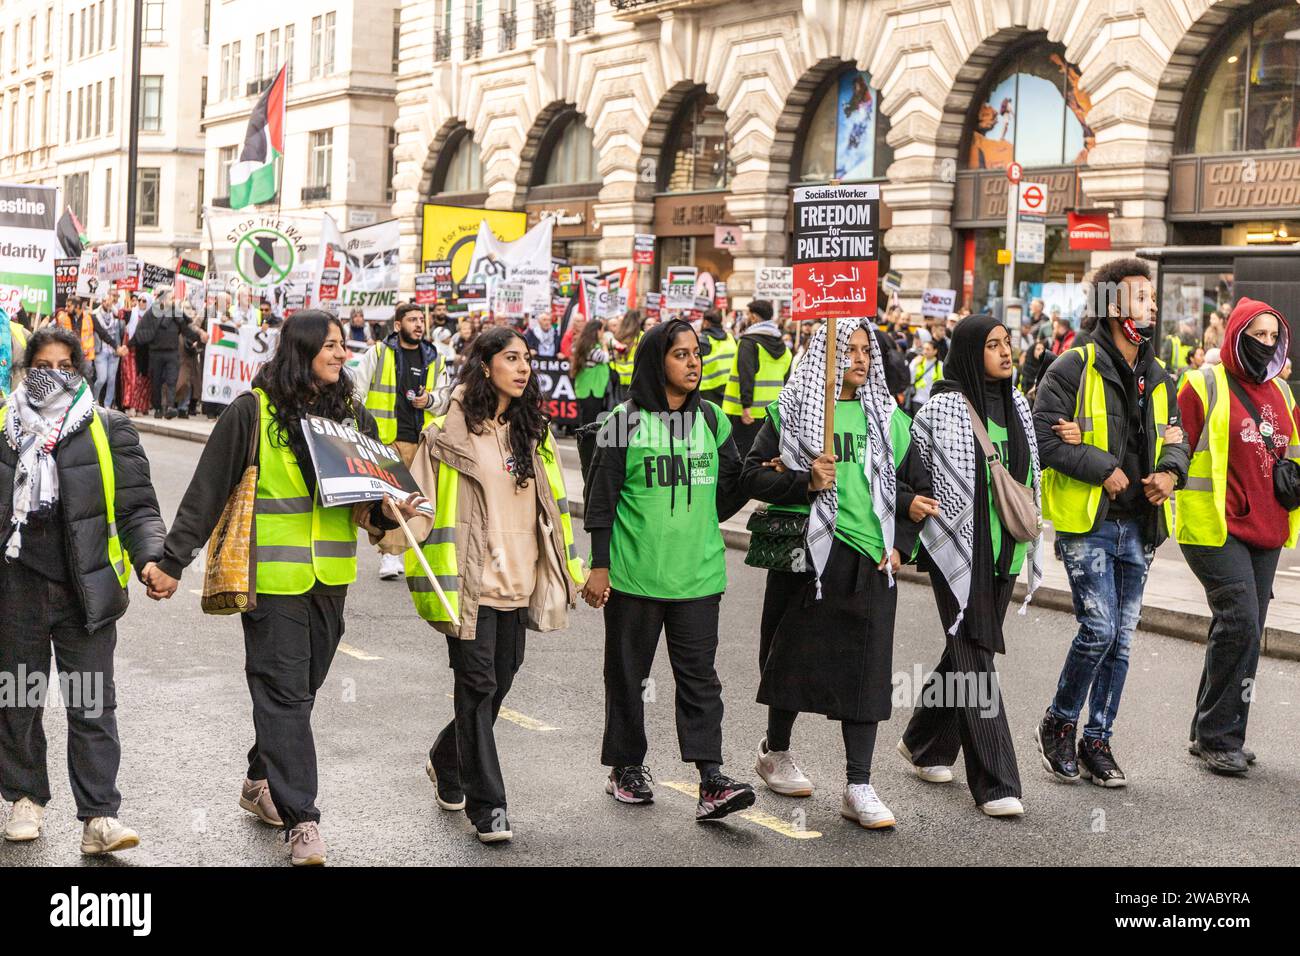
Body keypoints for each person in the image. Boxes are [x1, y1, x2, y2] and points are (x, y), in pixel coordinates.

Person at [148, 311, 422, 866]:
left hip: (331, 578)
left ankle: (259, 778)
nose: (341, 354)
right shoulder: (253, 411)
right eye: (330, 345)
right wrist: (172, 562)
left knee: (301, 690)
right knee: (285, 693)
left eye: (344, 345)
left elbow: (377, 496)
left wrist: (396, 512)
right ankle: (303, 820)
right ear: (300, 350)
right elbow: (207, 490)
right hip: (271, 580)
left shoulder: (350, 414)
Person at [402, 326, 584, 844]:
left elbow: (553, 511)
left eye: (527, 359)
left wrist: (568, 570)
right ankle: (489, 806)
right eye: (511, 358)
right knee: (477, 685)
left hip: (519, 581)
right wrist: (386, 519)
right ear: (485, 366)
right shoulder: (447, 435)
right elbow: (417, 505)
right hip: (468, 583)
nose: (524, 368)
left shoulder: (534, 433)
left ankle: (445, 756)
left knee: (500, 681)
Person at [741, 320, 923, 829]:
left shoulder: (891, 419)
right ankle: (775, 752)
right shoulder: (792, 412)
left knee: (866, 673)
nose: (862, 360)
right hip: (808, 556)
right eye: (850, 351)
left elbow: (914, 491)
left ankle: (859, 785)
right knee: (790, 660)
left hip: (869, 559)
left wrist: (901, 548)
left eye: (868, 351)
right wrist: (804, 481)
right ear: (825, 357)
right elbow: (752, 474)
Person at [0, 327, 165, 854]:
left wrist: (152, 559)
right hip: (16, 585)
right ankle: (25, 798)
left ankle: (100, 817)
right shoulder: (4, 426)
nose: (53, 375)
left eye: (65, 366)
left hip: (85, 588)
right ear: (27, 371)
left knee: (91, 702)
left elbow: (138, 507)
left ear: (80, 370)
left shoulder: (108, 428)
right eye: (42, 365)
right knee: (18, 699)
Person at [582, 319, 755, 821]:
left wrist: (771, 476)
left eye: (696, 353)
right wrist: (599, 565)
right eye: (681, 354)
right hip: (635, 577)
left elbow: (726, 495)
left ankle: (711, 780)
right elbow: (601, 497)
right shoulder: (624, 419)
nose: (694, 362)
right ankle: (626, 767)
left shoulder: (714, 420)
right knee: (628, 675)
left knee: (700, 680)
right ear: (657, 362)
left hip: (699, 578)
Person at [1031, 258, 1189, 787]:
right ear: (1113, 306)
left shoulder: (1160, 373)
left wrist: (1170, 474)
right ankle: (1059, 722)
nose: (1152, 304)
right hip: (1089, 522)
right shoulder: (1070, 367)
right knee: (1098, 628)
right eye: (1141, 296)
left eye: (1152, 296)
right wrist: (1105, 469)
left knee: (1121, 640)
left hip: (1140, 528)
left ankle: (1097, 740)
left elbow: (1177, 438)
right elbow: (1047, 441)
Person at [897, 315, 1043, 817]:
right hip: (956, 551)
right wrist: (911, 508)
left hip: (1007, 551)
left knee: (968, 648)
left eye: (1009, 343)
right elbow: (910, 474)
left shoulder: (1020, 405)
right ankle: (998, 781)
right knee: (976, 656)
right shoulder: (940, 411)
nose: (1006, 352)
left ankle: (925, 742)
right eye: (993, 345)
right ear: (967, 352)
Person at [1177, 299, 1300, 775]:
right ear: (1236, 334)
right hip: (1213, 526)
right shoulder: (1204, 384)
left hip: (1268, 529)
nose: (1266, 344)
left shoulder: (1283, 394)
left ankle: (1209, 728)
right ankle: (1218, 737)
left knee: (1242, 631)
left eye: (1274, 336)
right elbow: (1173, 443)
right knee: (1242, 622)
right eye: (1258, 335)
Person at [349, 302, 447, 581]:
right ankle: (389, 555)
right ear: (397, 325)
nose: (418, 324)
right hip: (387, 441)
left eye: (421, 319)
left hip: (423, 442)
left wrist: (430, 400)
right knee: (391, 501)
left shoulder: (434, 358)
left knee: (420, 501)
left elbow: (445, 397)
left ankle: (416, 553)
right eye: (412, 319)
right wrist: (363, 434)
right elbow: (357, 391)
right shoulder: (378, 354)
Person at [722, 299, 792, 459]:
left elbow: (746, 375)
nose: (746, 317)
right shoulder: (784, 347)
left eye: (748, 314)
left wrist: (746, 406)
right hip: (773, 413)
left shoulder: (748, 342)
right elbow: (787, 382)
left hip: (746, 414)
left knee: (743, 457)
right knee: (765, 457)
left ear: (753, 317)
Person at [133, 287, 203, 419]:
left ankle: (170, 407)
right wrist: (129, 344)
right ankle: (158, 407)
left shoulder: (176, 314)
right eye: (171, 298)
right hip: (156, 354)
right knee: (156, 382)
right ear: (164, 300)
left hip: (172, 353)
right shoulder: (152, 313)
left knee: (171, 380)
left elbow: (185, 330)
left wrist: (198, 338)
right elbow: (141, 330)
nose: (174, 300)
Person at [571, 314, 612, 428]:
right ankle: (586, 444)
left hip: (590, 388)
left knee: (589, 419)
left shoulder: (585, 344)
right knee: (589, 421)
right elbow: (605, 358)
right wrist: (604, 344)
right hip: (591, 389)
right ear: (597, 331)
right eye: (602, 330)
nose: (603, 333)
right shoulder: (591, 347)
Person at [173, 301, 208, 418]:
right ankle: (175, 404)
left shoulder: (195, 325)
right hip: (179, 356)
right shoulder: (179, 322)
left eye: (191, 308)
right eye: (186, 308)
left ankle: (184, 407)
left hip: (192, 358)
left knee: (190, 383)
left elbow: (199, 339)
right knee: (180, 381)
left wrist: (197, 345)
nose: (189, 311)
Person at [90, 298, 127, 410]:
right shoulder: (94, 315)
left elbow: (123, 326)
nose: (108, 302)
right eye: (105, 300)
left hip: (114, 352)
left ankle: (107, 404)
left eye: (110, 300)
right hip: (101, 350)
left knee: (111, 379)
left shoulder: (116, 314)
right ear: (102, 302)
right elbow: (101, 333)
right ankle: (93, 399)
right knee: (102, 378)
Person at [698, 309, 737, 407]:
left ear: (706, 322)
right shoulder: (731, 338)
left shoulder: (703, 341)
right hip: (729, 387)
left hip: (707, 390)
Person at [608, 310, 643, 403]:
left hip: (617, 377)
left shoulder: (617, 336)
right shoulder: (641, 337)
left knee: (618, 406)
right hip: (633, 378)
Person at [909, 339, 943, 410]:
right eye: (923, 349)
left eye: (928, 349)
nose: (924, 351)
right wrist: (914, 365)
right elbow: (910, 379)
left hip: (933, 402)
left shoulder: (940, 365)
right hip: (917, 400)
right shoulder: (916, 361)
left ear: (935, 351)